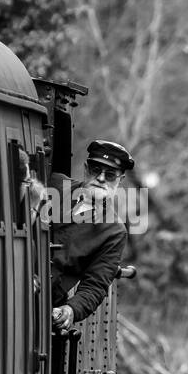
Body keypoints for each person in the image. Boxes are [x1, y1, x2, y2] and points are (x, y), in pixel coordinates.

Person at [50, 140, 135, 330]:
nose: (101, 178)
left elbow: (95, 284)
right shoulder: (54, 185)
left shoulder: (114, 232)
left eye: (110, 175)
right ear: (86, 168)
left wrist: (71, 310)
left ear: (119, 180)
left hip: (44, 304)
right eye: (96, 170)